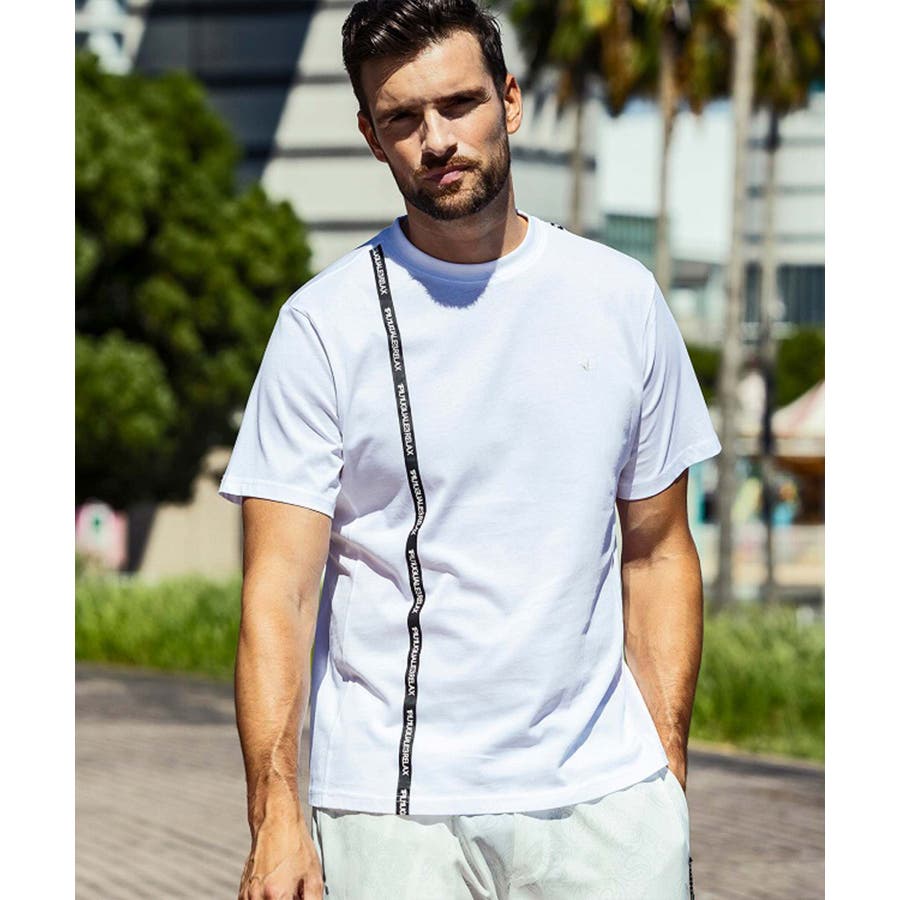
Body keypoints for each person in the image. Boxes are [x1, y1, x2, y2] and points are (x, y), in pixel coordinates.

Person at [218, 1, 721, 897]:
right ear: (372, 137)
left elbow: (657, 552)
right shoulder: (323, 326)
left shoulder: (622, 300)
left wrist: (662, 779)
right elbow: (278, 592)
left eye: (459, 104)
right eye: (403, 118)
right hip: (392, 815)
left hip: (608, 805)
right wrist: (276, 816)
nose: (437, 139)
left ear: (510, 101)